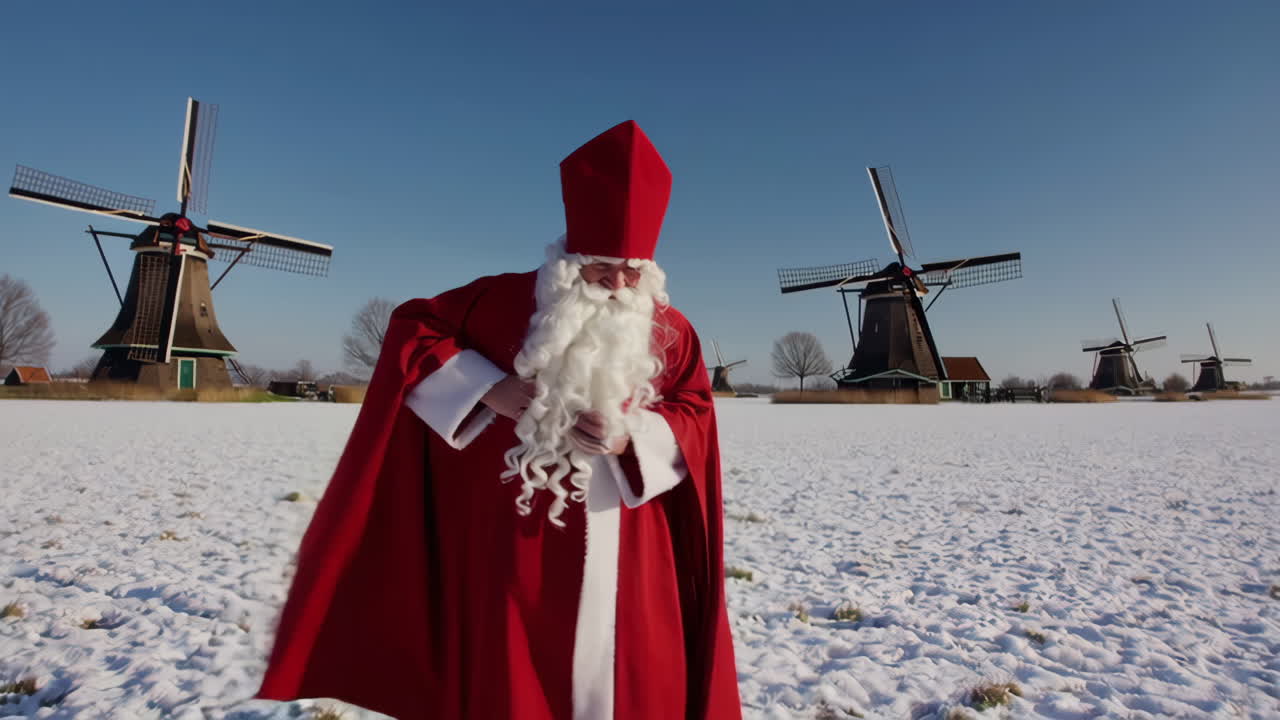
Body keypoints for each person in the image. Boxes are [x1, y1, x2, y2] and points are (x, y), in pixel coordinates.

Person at [258, 120, 742, 720]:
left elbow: (695, 411)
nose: (618, 286)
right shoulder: (499, 301)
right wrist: (489, 388)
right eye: (600, 269)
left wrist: (632, 436)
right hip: (512, 546)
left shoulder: (674, 332)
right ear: (570, 259)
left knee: (636, 679)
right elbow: (412, 331)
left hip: (632, 549)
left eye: (632, 271)